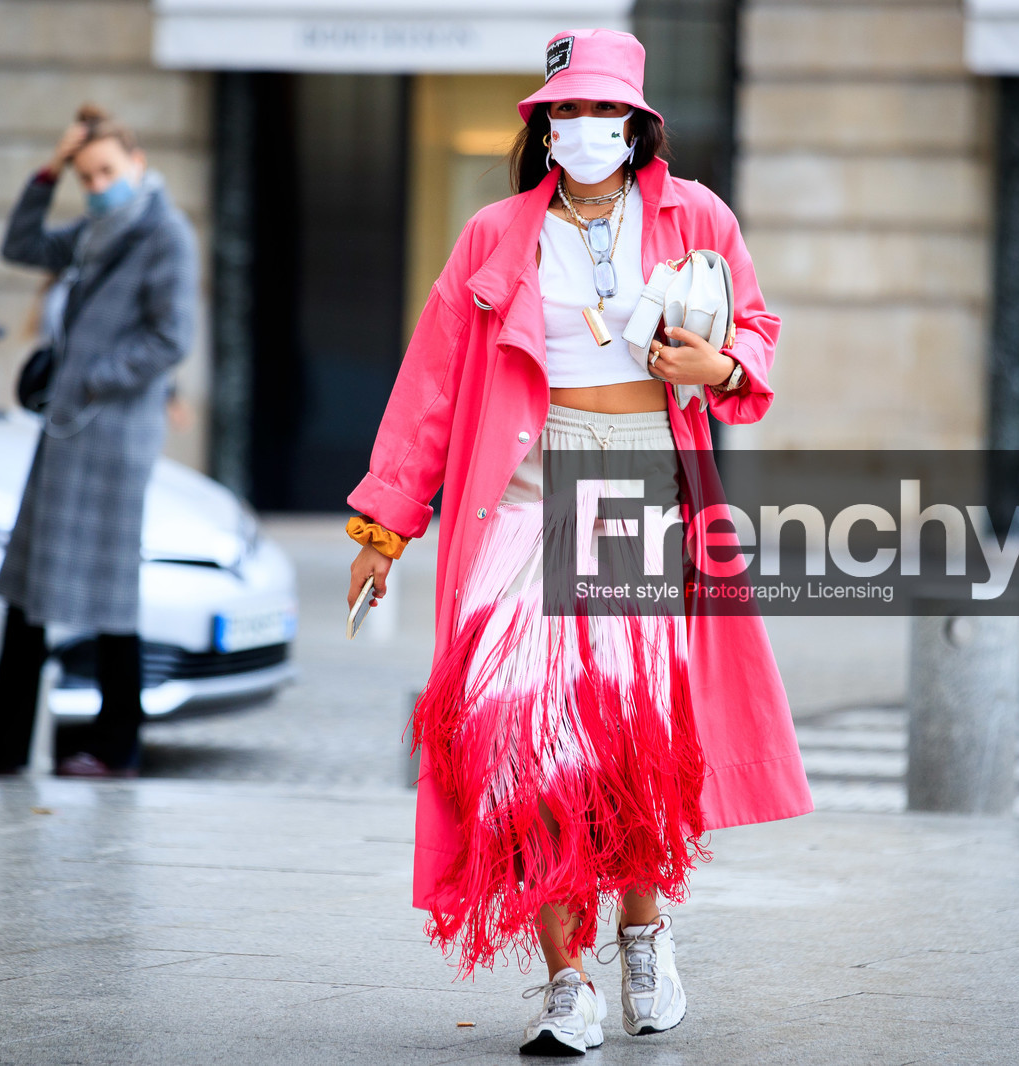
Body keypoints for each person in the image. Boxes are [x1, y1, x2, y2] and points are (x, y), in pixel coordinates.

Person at [345, 29, 812, 1055]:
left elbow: (759, 333)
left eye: (604, 113)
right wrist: (385, 522)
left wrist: (721, 366)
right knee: (526, 744)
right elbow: (429, 383)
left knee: (624, 738)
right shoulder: (495, 235)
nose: (584, 129)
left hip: (636, 479)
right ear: (544, 124)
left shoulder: (696, 215)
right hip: (515, 490)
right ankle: (568, 982)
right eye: (565, 112)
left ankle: (642, 932)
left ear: (638, 123)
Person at [0, 104, 198, 779]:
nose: (98, 183)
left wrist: (88, 380)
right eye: (87, 174)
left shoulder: (164, 233)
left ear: (137, 162)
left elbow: (172, 337)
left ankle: (115, 746)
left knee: (109, 594)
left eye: (107, 169)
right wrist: (49, 169)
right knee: (29, 585)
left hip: (110, 436)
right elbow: (19, 245)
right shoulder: (97, 230)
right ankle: (0, 742)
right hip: (71, 433)